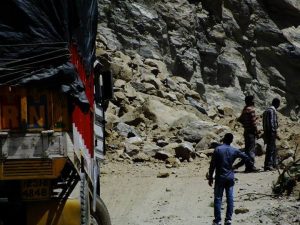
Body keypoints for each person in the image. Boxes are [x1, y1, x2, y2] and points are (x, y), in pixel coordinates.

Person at [207, 133, 253, 225]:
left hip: (220, 177)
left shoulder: (218, 149)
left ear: (223, 139)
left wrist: (210, 177)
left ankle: (218, 220)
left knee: (218, 198)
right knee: (230, 198)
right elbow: (247, 158)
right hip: (230, 177)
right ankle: (228, 219)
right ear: (231, 141)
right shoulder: (234, 150)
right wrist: (236, 166)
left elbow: (212, 165)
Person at [236, 95, 259, 172]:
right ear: (250, 101)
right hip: (251, 132)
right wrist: (256, 131)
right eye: (253, 100)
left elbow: (239, 119)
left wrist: (246, 124)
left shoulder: (244, 110)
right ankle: (251, 167)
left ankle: (247, 166)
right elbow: (254, 123)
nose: (254, 101)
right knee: (251, 150)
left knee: (247, 150)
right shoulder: (251, 110)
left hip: (246, 131)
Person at [263, 98, 280, 171]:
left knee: (270, 148)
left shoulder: (266, 111)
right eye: (278, 104)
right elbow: (272, 122)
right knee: (271, 149)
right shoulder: (272, 111)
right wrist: (274, 131)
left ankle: (271, 164)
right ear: (276, 103)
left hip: (266, 131)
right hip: (271, 132)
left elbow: (264, 123)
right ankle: (268, 165)